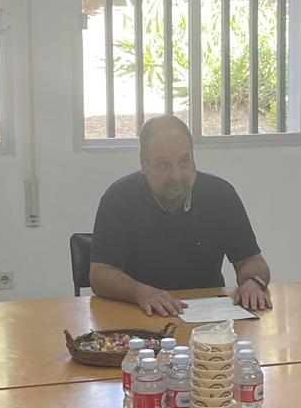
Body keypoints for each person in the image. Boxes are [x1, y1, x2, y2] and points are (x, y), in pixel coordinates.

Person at [90, 115, 272, 317]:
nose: (175, 175)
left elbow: (253, 262)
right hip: (141, 316)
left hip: (208, 322)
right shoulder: (119, 198)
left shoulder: (221, 195)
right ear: (144, 164)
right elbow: (100, 274)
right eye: (163, 165)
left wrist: (253, 283)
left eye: (184, 162)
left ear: (194, 160)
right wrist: (140, 292)